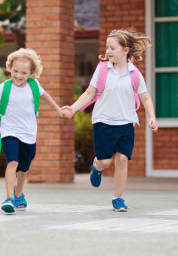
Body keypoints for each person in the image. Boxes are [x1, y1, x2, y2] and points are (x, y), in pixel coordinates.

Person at [62, 28, 158, 212]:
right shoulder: (102, 69)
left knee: (122, 160)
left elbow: (145, 98)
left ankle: (118, 199)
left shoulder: (134, 74)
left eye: (112, 48)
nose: (108, 51)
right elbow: (90, 93)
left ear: (125, 50)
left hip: (126, 124)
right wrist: (73, 108)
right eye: (107, 47)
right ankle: (97, 166)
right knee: (106, 162)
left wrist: (152, 118)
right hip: (103, 123)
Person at [0, 48, 64, 213]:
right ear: (10, 68)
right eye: (15, 71)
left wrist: (58, 110)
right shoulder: (3, 88)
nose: (18, 75)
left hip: (29, 135)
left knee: (23, 168)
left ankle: (19, 194)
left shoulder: (34, 85)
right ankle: (9, 198)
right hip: (9, 132)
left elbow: (46, 96)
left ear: (31, 73)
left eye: (23, 72)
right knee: (12, 162)